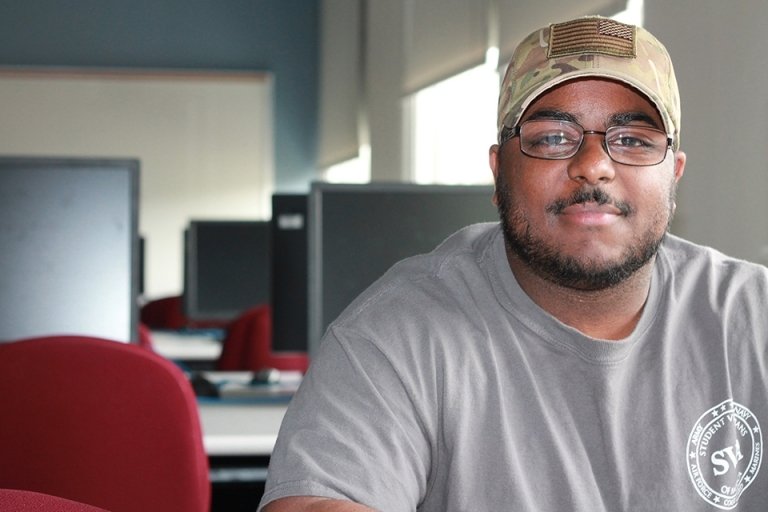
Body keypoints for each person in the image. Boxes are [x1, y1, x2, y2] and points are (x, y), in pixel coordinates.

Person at [259, 15, 768, 511]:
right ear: (499, 171)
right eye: (552, 138)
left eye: (633, 140)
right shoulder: (396, 331)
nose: (592, 166)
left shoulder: (753, 315)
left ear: (673, 173)